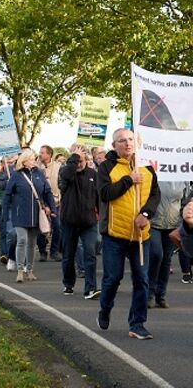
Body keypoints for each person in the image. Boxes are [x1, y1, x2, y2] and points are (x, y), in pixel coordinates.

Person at [97, 128, 160, 340]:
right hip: (114, 234)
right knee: (112, 278)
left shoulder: (147, 165)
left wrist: (145, 214)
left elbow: (154, 195)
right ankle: (105, 309)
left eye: (131, 139)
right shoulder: (106, 167)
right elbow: (105, 194)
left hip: (141, 234)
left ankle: (137, 323)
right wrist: (128, 180)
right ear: (114, 145)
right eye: (122, 141)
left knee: (142, 279)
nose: (127, 144)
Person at [2, 149, 56, 283]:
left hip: (36, 214)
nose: (34, 161)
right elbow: (7, 194)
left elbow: (47, 191)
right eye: (32, 159)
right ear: (24, 161)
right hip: (20, 214)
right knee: (22, 240)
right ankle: (20, 271)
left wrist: (52, 208)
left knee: (32, 244)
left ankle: (30, 270)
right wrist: (4, 213)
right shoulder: (16, 175)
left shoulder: (40, 174)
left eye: (34, 158)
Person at [59, 144, 100, 299]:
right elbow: (66, 176)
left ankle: (91, 288)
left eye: (83, 159)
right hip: (69, 221)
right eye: (77, 160)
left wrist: (100, 216)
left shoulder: (92, 174)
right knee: (69, 255)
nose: (80, 163)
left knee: (90, 253)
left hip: (88, 222)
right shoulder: (66, 173)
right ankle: (68, 284)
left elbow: (98, 197)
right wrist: (74, 158)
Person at [147, 181, 189, 308]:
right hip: (153, 223)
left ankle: (161, 295)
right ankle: (149, 293)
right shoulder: (156, 176)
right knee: (156, 255)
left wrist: (184, 216)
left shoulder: (183, 180)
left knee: (166, 259)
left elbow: (185, 201)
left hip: (173, 224)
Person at [37, 145, 62, 262]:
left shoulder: (59, 167)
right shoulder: (36, 167)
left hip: (56, 202)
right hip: (40, 203)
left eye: (42, 152)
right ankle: (42, 251)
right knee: (41, 228)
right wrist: (43, 204)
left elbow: (62, 185)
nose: (40, 154)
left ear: (49, 154)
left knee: (58, 227)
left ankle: (54, 251)